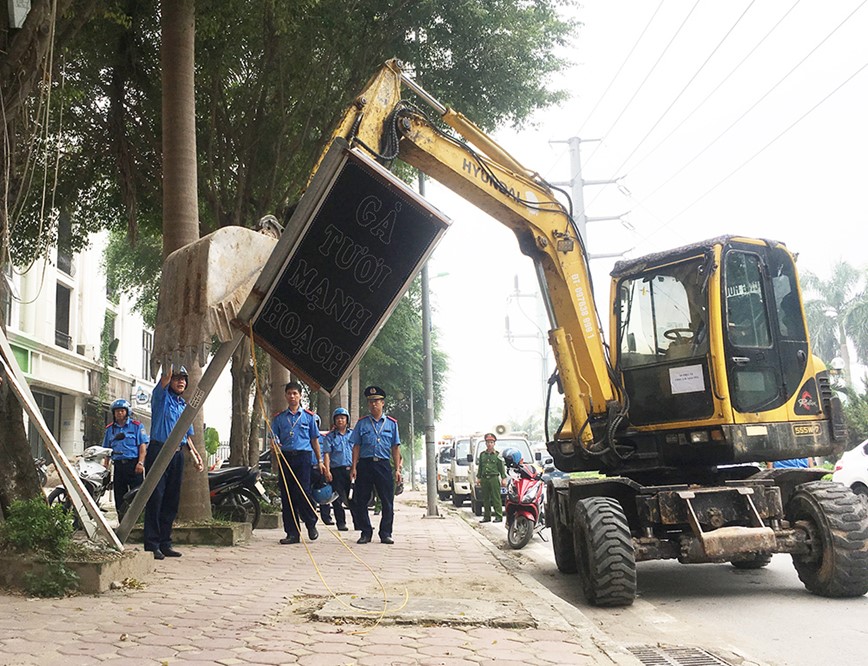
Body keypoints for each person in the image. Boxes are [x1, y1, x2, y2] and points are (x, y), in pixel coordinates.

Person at [144, 365, 204, 560]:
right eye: (177, 378)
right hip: (159, 450)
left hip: (177, 454)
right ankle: (152, 544)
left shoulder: (182, 405)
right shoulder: (161, 398)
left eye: (184, 379)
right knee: (156, 498)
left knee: (171, 499)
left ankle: (165, 542)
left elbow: (187, 436)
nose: (181, 382)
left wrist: (196, 456)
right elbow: (165, 377)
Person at [271, 381, 324, 544]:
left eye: (295, 393)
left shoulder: (309, 417)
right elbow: (273, 440)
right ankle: (292, 533)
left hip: (303, 457)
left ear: (300, 396)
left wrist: (320, 460)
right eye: (289, 393)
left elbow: (315, 440)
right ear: (286, 396)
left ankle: (311, 523)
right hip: (286, 457)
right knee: (287, 494)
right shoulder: (279, 418)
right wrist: (275, 446)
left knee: (303, 492)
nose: (292, 396)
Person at [349, 386, 402, 544]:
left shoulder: (392, 424)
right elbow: (356, 446)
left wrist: (397, 469)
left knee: (387, 500)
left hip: (383, 465)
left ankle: (385, 533)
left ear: (382, 403)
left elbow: (395, 447)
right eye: (371, 401)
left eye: (377, 401)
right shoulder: (362, 423)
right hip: (365, 465)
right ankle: (365, 532)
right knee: (361, 500)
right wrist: (353, 467)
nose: (374, 404)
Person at [102, 398, 148, 522]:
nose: (119, 413)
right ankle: (122, 522)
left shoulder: (136, 426)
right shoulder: (110, 429)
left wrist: (140, 463)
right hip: (118, 466)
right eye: (116, 411)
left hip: (134, 465)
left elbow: (142, 446)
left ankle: (138, 522)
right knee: (119, 496)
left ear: (127, 412)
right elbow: (106, 450)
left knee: (137, 495)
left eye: (122, 411)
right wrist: (105, 467)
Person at [321, 407, 353, 532]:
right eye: (338, 418)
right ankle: (341, 523)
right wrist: (327, 471)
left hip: (350, 470)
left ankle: (359, 522)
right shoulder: (330, 437)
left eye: (343, 418)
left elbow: (357, 451)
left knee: (354, 497)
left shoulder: (353, 435)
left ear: (347, 420)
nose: (340, 420)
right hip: (336, 471)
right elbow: (327, 454)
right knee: (337, 499)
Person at [477, 433, 507, 523]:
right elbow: (480, 467)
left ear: (494, 443)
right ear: (485, 443)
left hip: (494, 478)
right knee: (485, 498)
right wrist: (478, 478)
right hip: (485, 478)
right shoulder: (482, 455)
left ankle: (498, 516)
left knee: (496, 498)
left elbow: (501, 467)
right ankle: (487, 516)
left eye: (491, 442)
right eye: (488, 442)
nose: (489, 444)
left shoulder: (497, 455)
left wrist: (503, 478)